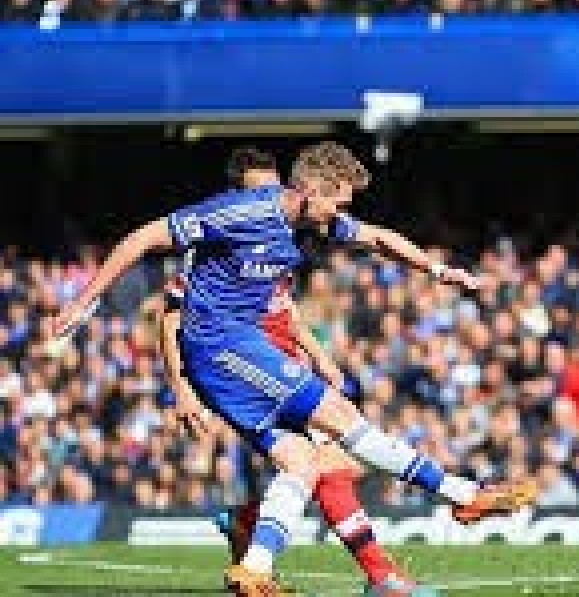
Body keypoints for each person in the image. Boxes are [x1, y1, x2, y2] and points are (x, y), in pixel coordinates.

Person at [52, 142, 536, 596]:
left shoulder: (301, 223)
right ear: (311, 191)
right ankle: (462, 496)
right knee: (342, 424)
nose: (341, 215)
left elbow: (376, 238)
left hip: (241, 355)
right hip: (222, 347)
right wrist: (83, 301)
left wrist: (438, 270)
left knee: (303, 463)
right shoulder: (237, 214)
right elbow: (143, 238)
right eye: (338, 203)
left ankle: (254, 568)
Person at [157, 147, 423, 596]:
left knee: (321, 466)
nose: (269, 195)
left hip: (287, 365)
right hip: (246, 369)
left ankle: (249, 527)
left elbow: (288, 312)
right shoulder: (216, 246)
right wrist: (180, 387)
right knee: (331, 466)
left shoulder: (285, 231)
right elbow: (170, 318)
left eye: (273, 185)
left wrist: (320, 357)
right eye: (256, 189)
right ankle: (382, 577)